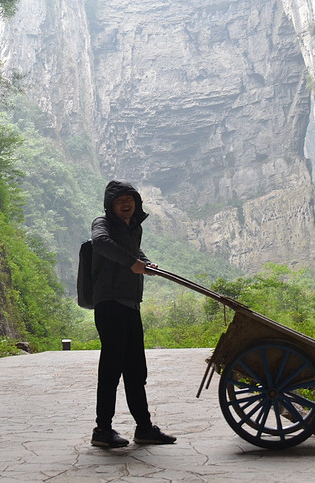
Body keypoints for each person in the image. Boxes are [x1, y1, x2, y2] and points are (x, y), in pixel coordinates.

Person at [88, 180, 176, 448]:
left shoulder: (132, 228)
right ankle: (102, 429)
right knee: (112, 368)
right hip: (110, 304)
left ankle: (144, 427)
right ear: (110, 206)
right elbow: (100, 243)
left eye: (130, 199)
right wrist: (133, 263)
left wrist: (146, 264)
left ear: (136, 202)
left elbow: (134, 253)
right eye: (119, 200)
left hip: (129, 304)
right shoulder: (102, 223)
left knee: (136, 368)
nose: (126, 204)